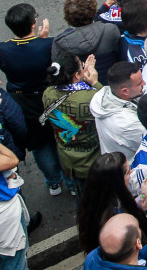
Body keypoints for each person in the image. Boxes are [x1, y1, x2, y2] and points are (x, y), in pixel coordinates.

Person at [0, 3, 69, 196]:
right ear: (33, 23)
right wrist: (42, 39)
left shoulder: (1, 49)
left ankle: (53, 182)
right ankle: (70, 181)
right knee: (61, 137)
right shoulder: (48, 44)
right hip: (50, 99)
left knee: (39, 144)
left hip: (22, 103)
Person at [42, 49, 102, 194]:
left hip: (69, 160)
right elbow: (110, 102)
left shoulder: (48, 94)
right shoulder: (91, 97)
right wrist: (95, 82)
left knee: (82, 198)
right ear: (76, 75)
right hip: (93, 159)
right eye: (82, 67)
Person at [77, 153, 147, 253]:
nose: (132, 172)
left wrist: (142, 199)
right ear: (118, 181)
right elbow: (141, 245)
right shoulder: (113, 221)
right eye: (128, 172)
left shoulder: (92, 201)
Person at [52, 0, 121, 84]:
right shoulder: (110, 30)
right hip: (111, 84)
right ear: (93, 12)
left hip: (81, 90)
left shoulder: (60, 42)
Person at [89, 61, 147, 161]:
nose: (144, 83)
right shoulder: (126, 123)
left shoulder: (105, 96)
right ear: (125, 91)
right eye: (139, 83)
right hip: (134, 169)